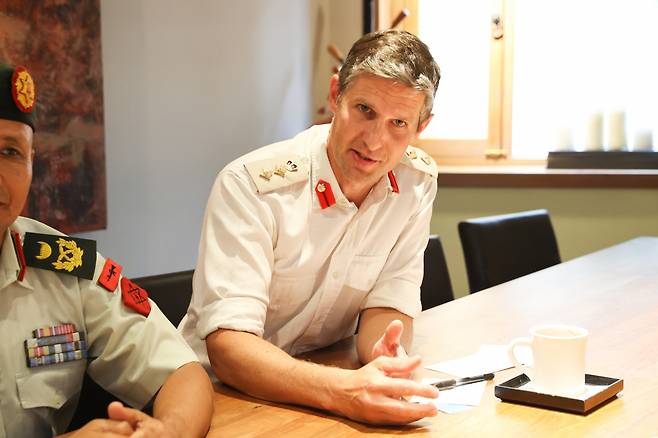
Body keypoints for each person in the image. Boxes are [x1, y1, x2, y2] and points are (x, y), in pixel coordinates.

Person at [180, 29, 442, 425]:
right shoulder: (251, 186)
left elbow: (389, 301)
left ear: (421, 126)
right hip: (217, 396)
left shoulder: (416, 182)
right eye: (365, 110)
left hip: (321, 388)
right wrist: (345, 391)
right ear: (336, 94)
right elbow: (229, 349)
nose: (374, 141)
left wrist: (383, 355)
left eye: (398, 123)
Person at [0, 64, 213, 437]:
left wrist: (167, 431)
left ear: (33, 164)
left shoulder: (60, 264)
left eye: (10, 151)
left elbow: (181, 371)